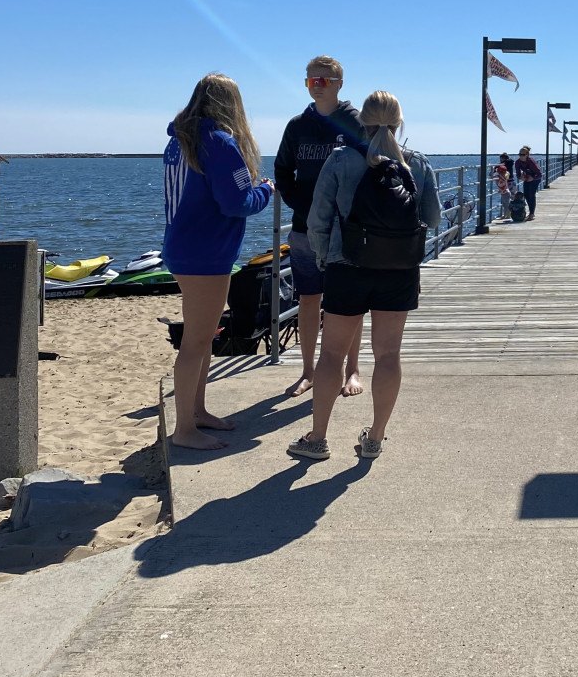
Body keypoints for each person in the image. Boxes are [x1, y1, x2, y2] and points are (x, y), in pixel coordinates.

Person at [290, 91, 440, 461]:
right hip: (398, 272)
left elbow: (317, 220)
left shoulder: (340, 160)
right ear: (399, 122)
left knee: (331, 357)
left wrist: (327, 261)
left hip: (347, 269)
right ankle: (374, 438)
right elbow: (434, 219)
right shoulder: (417, 164)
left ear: (363, 122)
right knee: (388, 355)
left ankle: (318, 439)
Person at [162, 74, 275, 451]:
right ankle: (184, 430)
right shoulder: (220, 143)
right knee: (195, 341)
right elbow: (237, 202)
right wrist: (265, 190)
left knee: (204, 335)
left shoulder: (180, 141)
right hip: (206, 253)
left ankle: (197, 411)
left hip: (184, 247)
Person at [273, 56, 366, 400]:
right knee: (308, 300)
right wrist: (305, 207)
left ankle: (352, 368)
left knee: (348, 302)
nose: (316, 84)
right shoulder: (297, 126)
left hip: (346, 230)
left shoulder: (356, 122)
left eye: (324, 80)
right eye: (311, 80)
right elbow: (283, 172)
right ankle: (308, 371)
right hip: (304, 229)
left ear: (340, 83)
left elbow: (371, 167)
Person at [515, 145, 542, 219]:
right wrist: (521, 177)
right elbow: (518, 174)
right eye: (519, 154)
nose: (521, 156)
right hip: (527, 178)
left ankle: (532, 213)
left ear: (527, 155)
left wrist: (533, 178)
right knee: (526, 195)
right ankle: (530, 211)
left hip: (535, 178)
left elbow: (539, 174)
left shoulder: (531, 161)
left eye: (523, 155)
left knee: (531, 194)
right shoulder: (517, 162)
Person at [494, 153, 515, 220]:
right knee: (509, 199)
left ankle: (508, 214)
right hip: (510, 183)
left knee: (507, 200)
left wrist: (498, 166)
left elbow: (495, 171)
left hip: (508, 183)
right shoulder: (509, 163)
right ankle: (508, 214)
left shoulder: (507, 163)